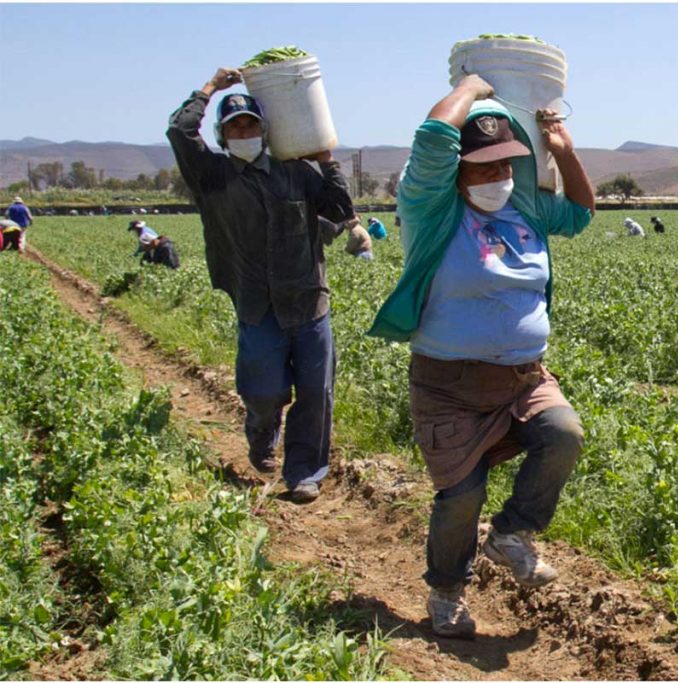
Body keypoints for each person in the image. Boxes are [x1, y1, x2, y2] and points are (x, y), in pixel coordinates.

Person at [367, 74, 595, 639]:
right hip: (449, 384)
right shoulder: (433, 214)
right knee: (460, 497)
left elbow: (584, 211)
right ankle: (446, 591)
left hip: (523, 378)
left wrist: (565, 154)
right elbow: (431, 140)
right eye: (483, 166)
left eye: (505, 165)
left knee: (563, 433)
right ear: (458, 171)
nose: (497, 176)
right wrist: (471, 89)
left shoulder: (527, 214)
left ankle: (511, 535)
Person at [167, 66, 355, 503]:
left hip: (308, 301)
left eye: (251, 124)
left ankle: (305, 472)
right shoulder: (212, 177)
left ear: (266, 131)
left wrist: (325, 158)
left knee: (315, 392)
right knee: (265, 391)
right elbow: (179, 131)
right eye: (235, 126)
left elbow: (340, 206)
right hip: (256, 305)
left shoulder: (296, 173)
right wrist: (212, 87)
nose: (244, 131)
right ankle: (260, 430)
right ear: (222, 134)